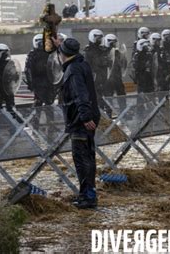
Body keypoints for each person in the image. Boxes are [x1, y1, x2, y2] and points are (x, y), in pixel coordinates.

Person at [58, 37, 100, 209]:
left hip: (80, 119)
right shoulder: (81, 62)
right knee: (88, 156)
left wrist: (84, 117)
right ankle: (89, 193)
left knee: (82, 158)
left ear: (63, 54)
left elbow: (80, 94)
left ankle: (87, 197)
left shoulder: (73, 70)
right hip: (86, 116)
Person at [84, 29, 112, 115]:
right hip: (94, 78)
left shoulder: (102, 49)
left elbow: (109, 59)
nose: (99, 39)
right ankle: (103, 112)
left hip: (103, 76)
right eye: (97, 37)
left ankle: (107, 112)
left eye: (100, 38)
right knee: (96, 97)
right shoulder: (88, 51)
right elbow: (87, 65)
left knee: (107, 95)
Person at [25, 34, 56, 107]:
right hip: (38, 83)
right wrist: (31, 83)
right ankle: (36, 118)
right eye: (38, 41)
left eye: (42, 41)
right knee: (39, 102)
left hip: (48, 81)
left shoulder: (49, 53)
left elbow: (55, 67)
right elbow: (28, 70)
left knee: (49, 103)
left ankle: (49, 118)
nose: (40, 43)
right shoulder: (32, 55)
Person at [103, 34, 126, 98]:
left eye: (114, 41)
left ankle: (123, 107)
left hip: (117, 76)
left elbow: (122, 62)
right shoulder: (103, 51)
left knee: (122, 95)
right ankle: (108, 108)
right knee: (108, 96)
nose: (112, 43)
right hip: (108, 78)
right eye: (110, 41)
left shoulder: (117, 52)